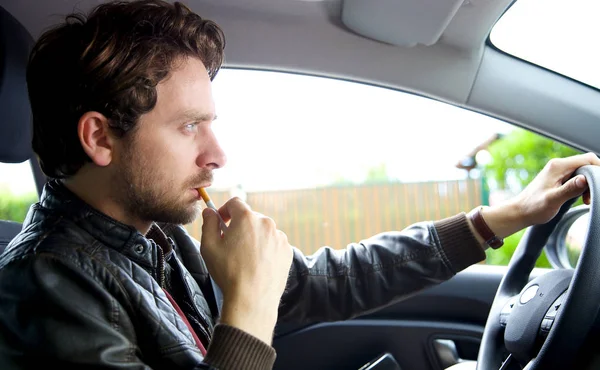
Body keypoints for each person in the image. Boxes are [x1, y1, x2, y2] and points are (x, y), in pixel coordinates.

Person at [0, 1, 597, 369]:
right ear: (100, 139)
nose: (217, 154)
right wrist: (249, 306)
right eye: (189, 128)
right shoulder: (46, 283)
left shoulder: (156, 237)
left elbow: (333, 280)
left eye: (212, 125)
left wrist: (504, 217)